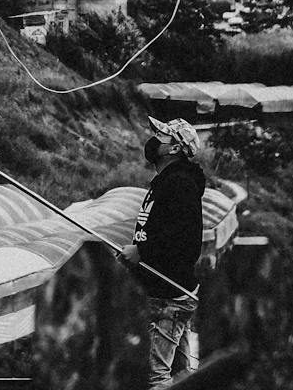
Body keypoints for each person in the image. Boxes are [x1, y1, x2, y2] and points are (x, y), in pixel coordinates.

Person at [125, 118, 214, 387]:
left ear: (175, 148)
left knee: (155, 376)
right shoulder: (166, 182)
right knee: (180, 375)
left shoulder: (180, 184)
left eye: (160, 136)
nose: (153, 140)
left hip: (168, 295)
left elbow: (184, 239)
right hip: (163, 290)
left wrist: (143, 252)